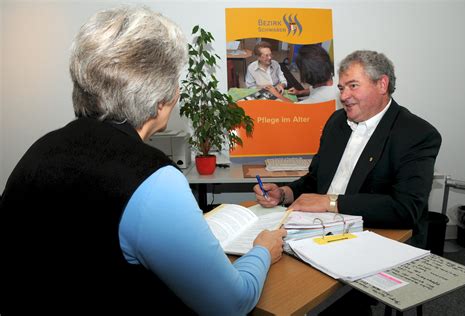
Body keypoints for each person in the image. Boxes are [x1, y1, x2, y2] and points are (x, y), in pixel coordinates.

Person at [0, 6, 287, 315]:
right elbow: (230, 305)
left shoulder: (41, 148)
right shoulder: (152, 179)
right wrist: (262, 251)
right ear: (162, 99)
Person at [254, 50, 441, 314]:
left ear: (382, 84)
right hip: (320, 232)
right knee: (271, 282)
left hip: (378, 238)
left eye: (353, 86)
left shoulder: (417, 134)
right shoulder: (336, 123)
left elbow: (406, 209)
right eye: (341, 87)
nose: (343, 96)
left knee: (323, 300)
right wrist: (285, 193)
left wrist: (331, 203)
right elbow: (315, 180)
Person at [265, 44, 337, 104]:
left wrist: (277, 95)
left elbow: (296, 108)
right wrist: (299, 92)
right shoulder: (330, 76)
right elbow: (316, 88)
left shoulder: (318, 99)